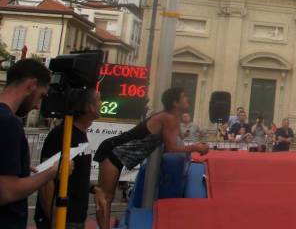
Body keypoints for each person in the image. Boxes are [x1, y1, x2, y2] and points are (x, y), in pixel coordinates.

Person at [94, 87, 209, 229]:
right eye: (184, 96)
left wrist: (194, 146)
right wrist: (196, 148)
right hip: (113, 150)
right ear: (175, 103)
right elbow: (172, 148)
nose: (188, 100)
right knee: (106, 197)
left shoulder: (173, 119)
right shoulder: (167, 118)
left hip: (120, 153)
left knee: (107, 197)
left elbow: (177, 142)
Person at [0, 59, 56, 229]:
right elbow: (6, 191)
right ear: (32, 85)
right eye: (41, 96)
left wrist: (22, 169)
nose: (38, 105)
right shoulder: (9, 123)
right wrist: (52, 172)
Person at [35, 90, 100, 229]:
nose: (102, 103)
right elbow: (45, 181)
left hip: (75, 219)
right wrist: (55, 220)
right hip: (62, 220)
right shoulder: (62, 135)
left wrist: (93, 188)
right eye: (99, 100)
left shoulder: (80, 134)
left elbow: (74, 175)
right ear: (90, 107)